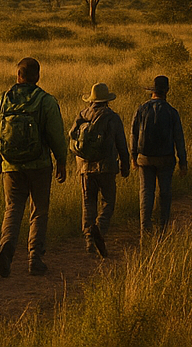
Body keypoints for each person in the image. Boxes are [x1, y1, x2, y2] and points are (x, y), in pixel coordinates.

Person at [0, 57, 67, 277]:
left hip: (10, 165)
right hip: (40, 165)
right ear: (37, 76)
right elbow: (56, 134)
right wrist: (61, 160)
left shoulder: (3, 100)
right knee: (39, 211)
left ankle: (7, 247)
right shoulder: (46, 101)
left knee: (12, 208)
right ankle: (35, 258)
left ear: (18, 76)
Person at [67, 81, 129, 254]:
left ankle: (89, 240)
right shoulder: (112, 117)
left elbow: (72, 135)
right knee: (108, 202)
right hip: (107, 166)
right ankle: (99, 229)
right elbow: (121, 143)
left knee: (88, 203)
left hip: (85, 167)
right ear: (107, 100)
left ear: (91, 99)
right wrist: (125, 164)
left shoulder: (82, 114)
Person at [129, 73, 187, 241]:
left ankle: (144, 230)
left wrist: (133, 156)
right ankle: (163, 230)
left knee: (146, 192)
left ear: (152, 91)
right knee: (165, 193)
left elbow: (133, 134)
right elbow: (179, 139)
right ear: (167, 91)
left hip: (144, 157)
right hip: (166, 158)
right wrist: (183, 163)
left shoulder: (141, 109)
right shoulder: (171, 112)